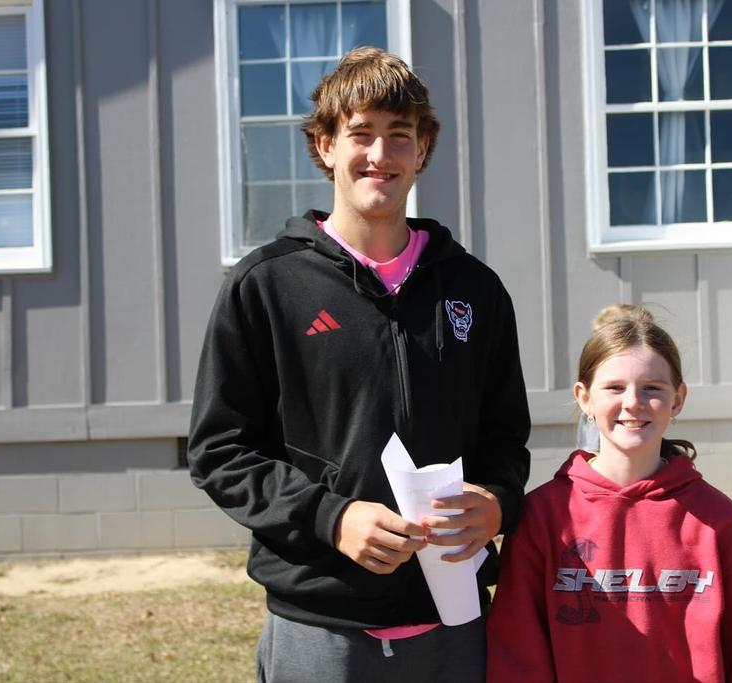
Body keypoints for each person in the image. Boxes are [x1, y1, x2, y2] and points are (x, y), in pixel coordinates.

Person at [187, 47, 530, 683]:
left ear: (423, 148)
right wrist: (332, 517)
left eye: (400, 135)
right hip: (319, 624)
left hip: (454, 626)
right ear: (325, 145)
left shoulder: (475, 289)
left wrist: (497, 502)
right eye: (360, 133)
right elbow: (219, 451)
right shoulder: (267, 285)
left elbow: (505, 436)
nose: (380, 154)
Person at [486, 304, 732, 682]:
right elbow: (517, 653)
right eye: (615, 387)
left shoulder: (716, 519)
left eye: (652, 388)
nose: (633, 402)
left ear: (677, 399)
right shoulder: (543, 516)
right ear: (584, 397)